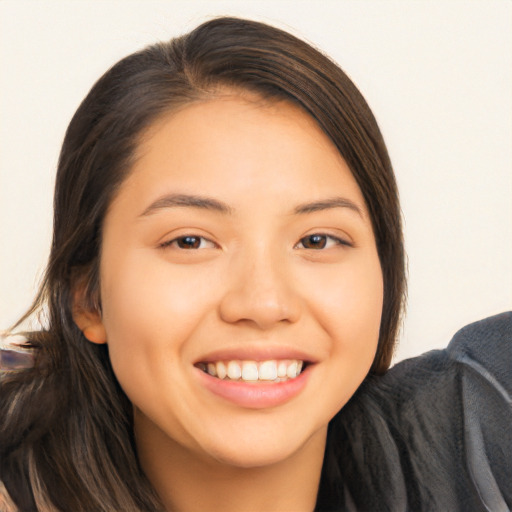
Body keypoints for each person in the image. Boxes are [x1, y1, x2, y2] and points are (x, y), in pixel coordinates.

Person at [0, 16, 510, 512]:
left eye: (317, 239)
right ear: (87, 296)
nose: (264, 303)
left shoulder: (475, 424)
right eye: (191, 242)